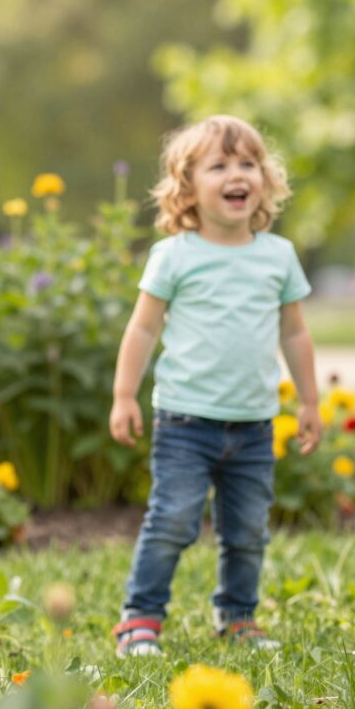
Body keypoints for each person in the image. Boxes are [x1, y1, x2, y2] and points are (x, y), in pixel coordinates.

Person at [109, 115, 321, 657]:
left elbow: (294, 333)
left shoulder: (278, 255)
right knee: (173, 520)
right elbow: (143, 327)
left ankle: (237, 616)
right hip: (185, 422)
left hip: (253, 425)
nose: (238, 175)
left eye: (248, 164)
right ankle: (141, 618)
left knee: (248, 531)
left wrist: (310, 401)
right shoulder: (175, 255)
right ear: (188, 187)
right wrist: (124, 395)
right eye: (220, 165)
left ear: (265, 180)